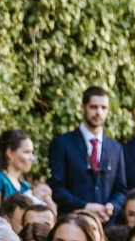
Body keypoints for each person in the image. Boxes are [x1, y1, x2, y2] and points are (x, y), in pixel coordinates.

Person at [48, 86, 127, 219]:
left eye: (103, 108)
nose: (99, 112)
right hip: (73, 220)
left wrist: (112, 206)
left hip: (107, 222)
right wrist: (84, 207)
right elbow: (56, 188)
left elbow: (121, 189)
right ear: (83, 107)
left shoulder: (116, 148)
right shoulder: (62, 144)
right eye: (93, 107)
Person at [0, 128, 37, 216]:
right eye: (26, 152)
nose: (32, 158)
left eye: (32, 152)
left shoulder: (24, 187)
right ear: (9, 153)